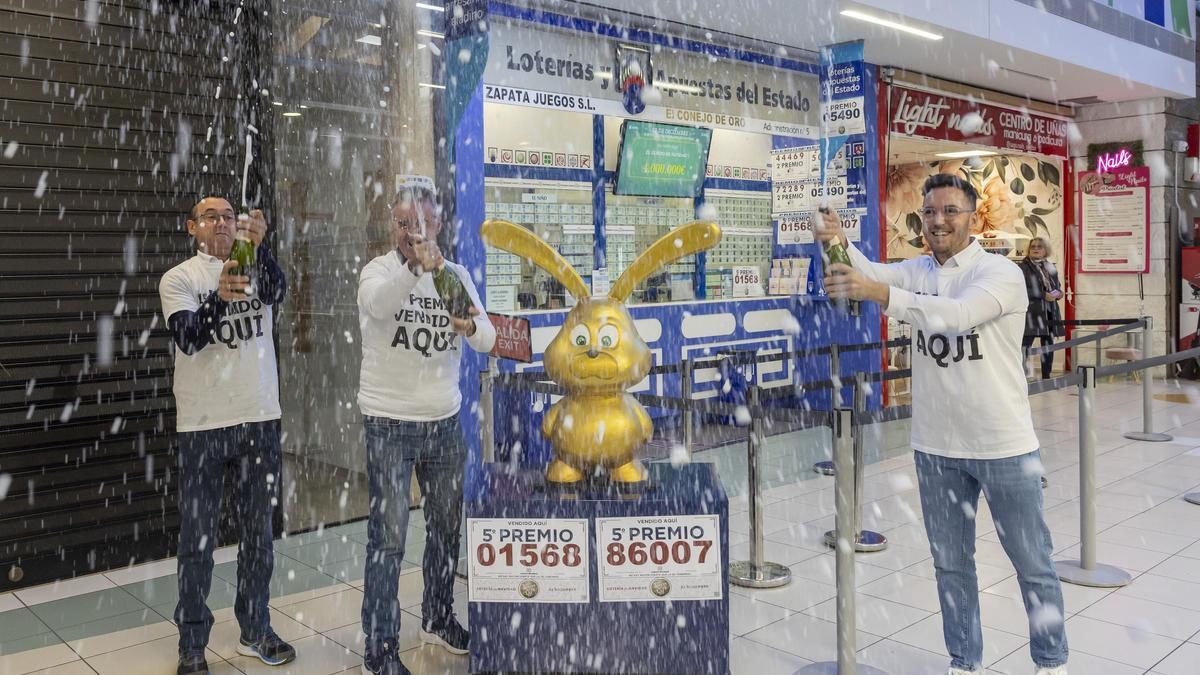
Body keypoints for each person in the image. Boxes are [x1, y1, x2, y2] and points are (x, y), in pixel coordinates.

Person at [816, 174, 1068, 675]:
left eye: (951, 211)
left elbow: (955, 315)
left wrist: (880, 293)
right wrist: (837, 240)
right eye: (930, 212)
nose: (938, 221)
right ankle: (964, 662)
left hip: (1003, 446)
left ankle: (1051, 661)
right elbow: (869, 271)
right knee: (951, 565)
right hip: (936, 447)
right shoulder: (918, 270)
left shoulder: (1000, 273)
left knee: (1032, 561)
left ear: (973, 217)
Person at [357, 179, 496, 675]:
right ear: (392, 226)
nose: (413, 231)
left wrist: (470, 325)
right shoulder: (377, 271)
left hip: (444, 423)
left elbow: (487, 338)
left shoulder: (455, 274)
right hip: (388, 422)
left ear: (437, 224)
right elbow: (380, 305)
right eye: (404, 223)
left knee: (445, 526)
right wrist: (416, 267)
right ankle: (379, 646)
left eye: (422, 222)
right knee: (388, 536)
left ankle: (437, 616)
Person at [159, 197, 296, 675]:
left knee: (258, 535)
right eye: (210, 217)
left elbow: (278, 292)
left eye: (228, 217)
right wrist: (219, 296)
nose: (221, 223)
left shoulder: (253, 264)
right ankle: (192, 642)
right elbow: (189, 339)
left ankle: (255, 629)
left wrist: (261, 250)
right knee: (197, 540)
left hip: (259, 418)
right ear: (192, 227)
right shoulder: (178, 279)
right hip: (203, 426)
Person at [1019, 237, 1064, 379]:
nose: (1036, 249)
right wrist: (1043, 295)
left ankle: (1046, 376)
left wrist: (1058, 294)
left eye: (1039, 246)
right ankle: (1019, 376)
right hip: (1032, 313)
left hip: (1050, 311)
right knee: (1025, 346)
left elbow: (1057, 286)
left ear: (1046, 250)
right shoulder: (1023, 267)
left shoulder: (1050, 266)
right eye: (1033, 246)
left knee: (1048, 346)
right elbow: (1021, 289)